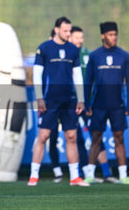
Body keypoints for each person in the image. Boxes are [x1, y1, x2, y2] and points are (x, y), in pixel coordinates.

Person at [49, 26, 118, 183]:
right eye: (76, 37)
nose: (80, 40)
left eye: (81, 37)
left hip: (88, 103)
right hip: (69, 102)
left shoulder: (88, 54)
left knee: (96, 135)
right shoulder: (66, 53)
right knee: (74, 137)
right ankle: (80, 173)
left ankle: (107, 173)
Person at [28, 16, 89, 186]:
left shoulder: (73, 50)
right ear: (56, 30)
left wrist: (81, 99)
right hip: (49, 99)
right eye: (65, 30)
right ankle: (33, 176)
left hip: (69, 99)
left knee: (71, 136)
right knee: (43, 136)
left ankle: (75, 177)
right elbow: (37, 74)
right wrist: (39, 97)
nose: (68, 33)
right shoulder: (44, 48)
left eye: (69, 31)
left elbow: (77, 75)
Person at [84, 22, 129, 184]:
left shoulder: (124, 56)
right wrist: (87, 104)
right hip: (98, 105)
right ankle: (89, 174)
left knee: (119, 139)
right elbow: (88, 81)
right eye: (110, 35)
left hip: (117, 105)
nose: (114, 37)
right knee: (96, 138)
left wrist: (128, 104)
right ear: (103, 36)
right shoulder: (95, 56)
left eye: (115, 34)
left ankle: (123, 175)